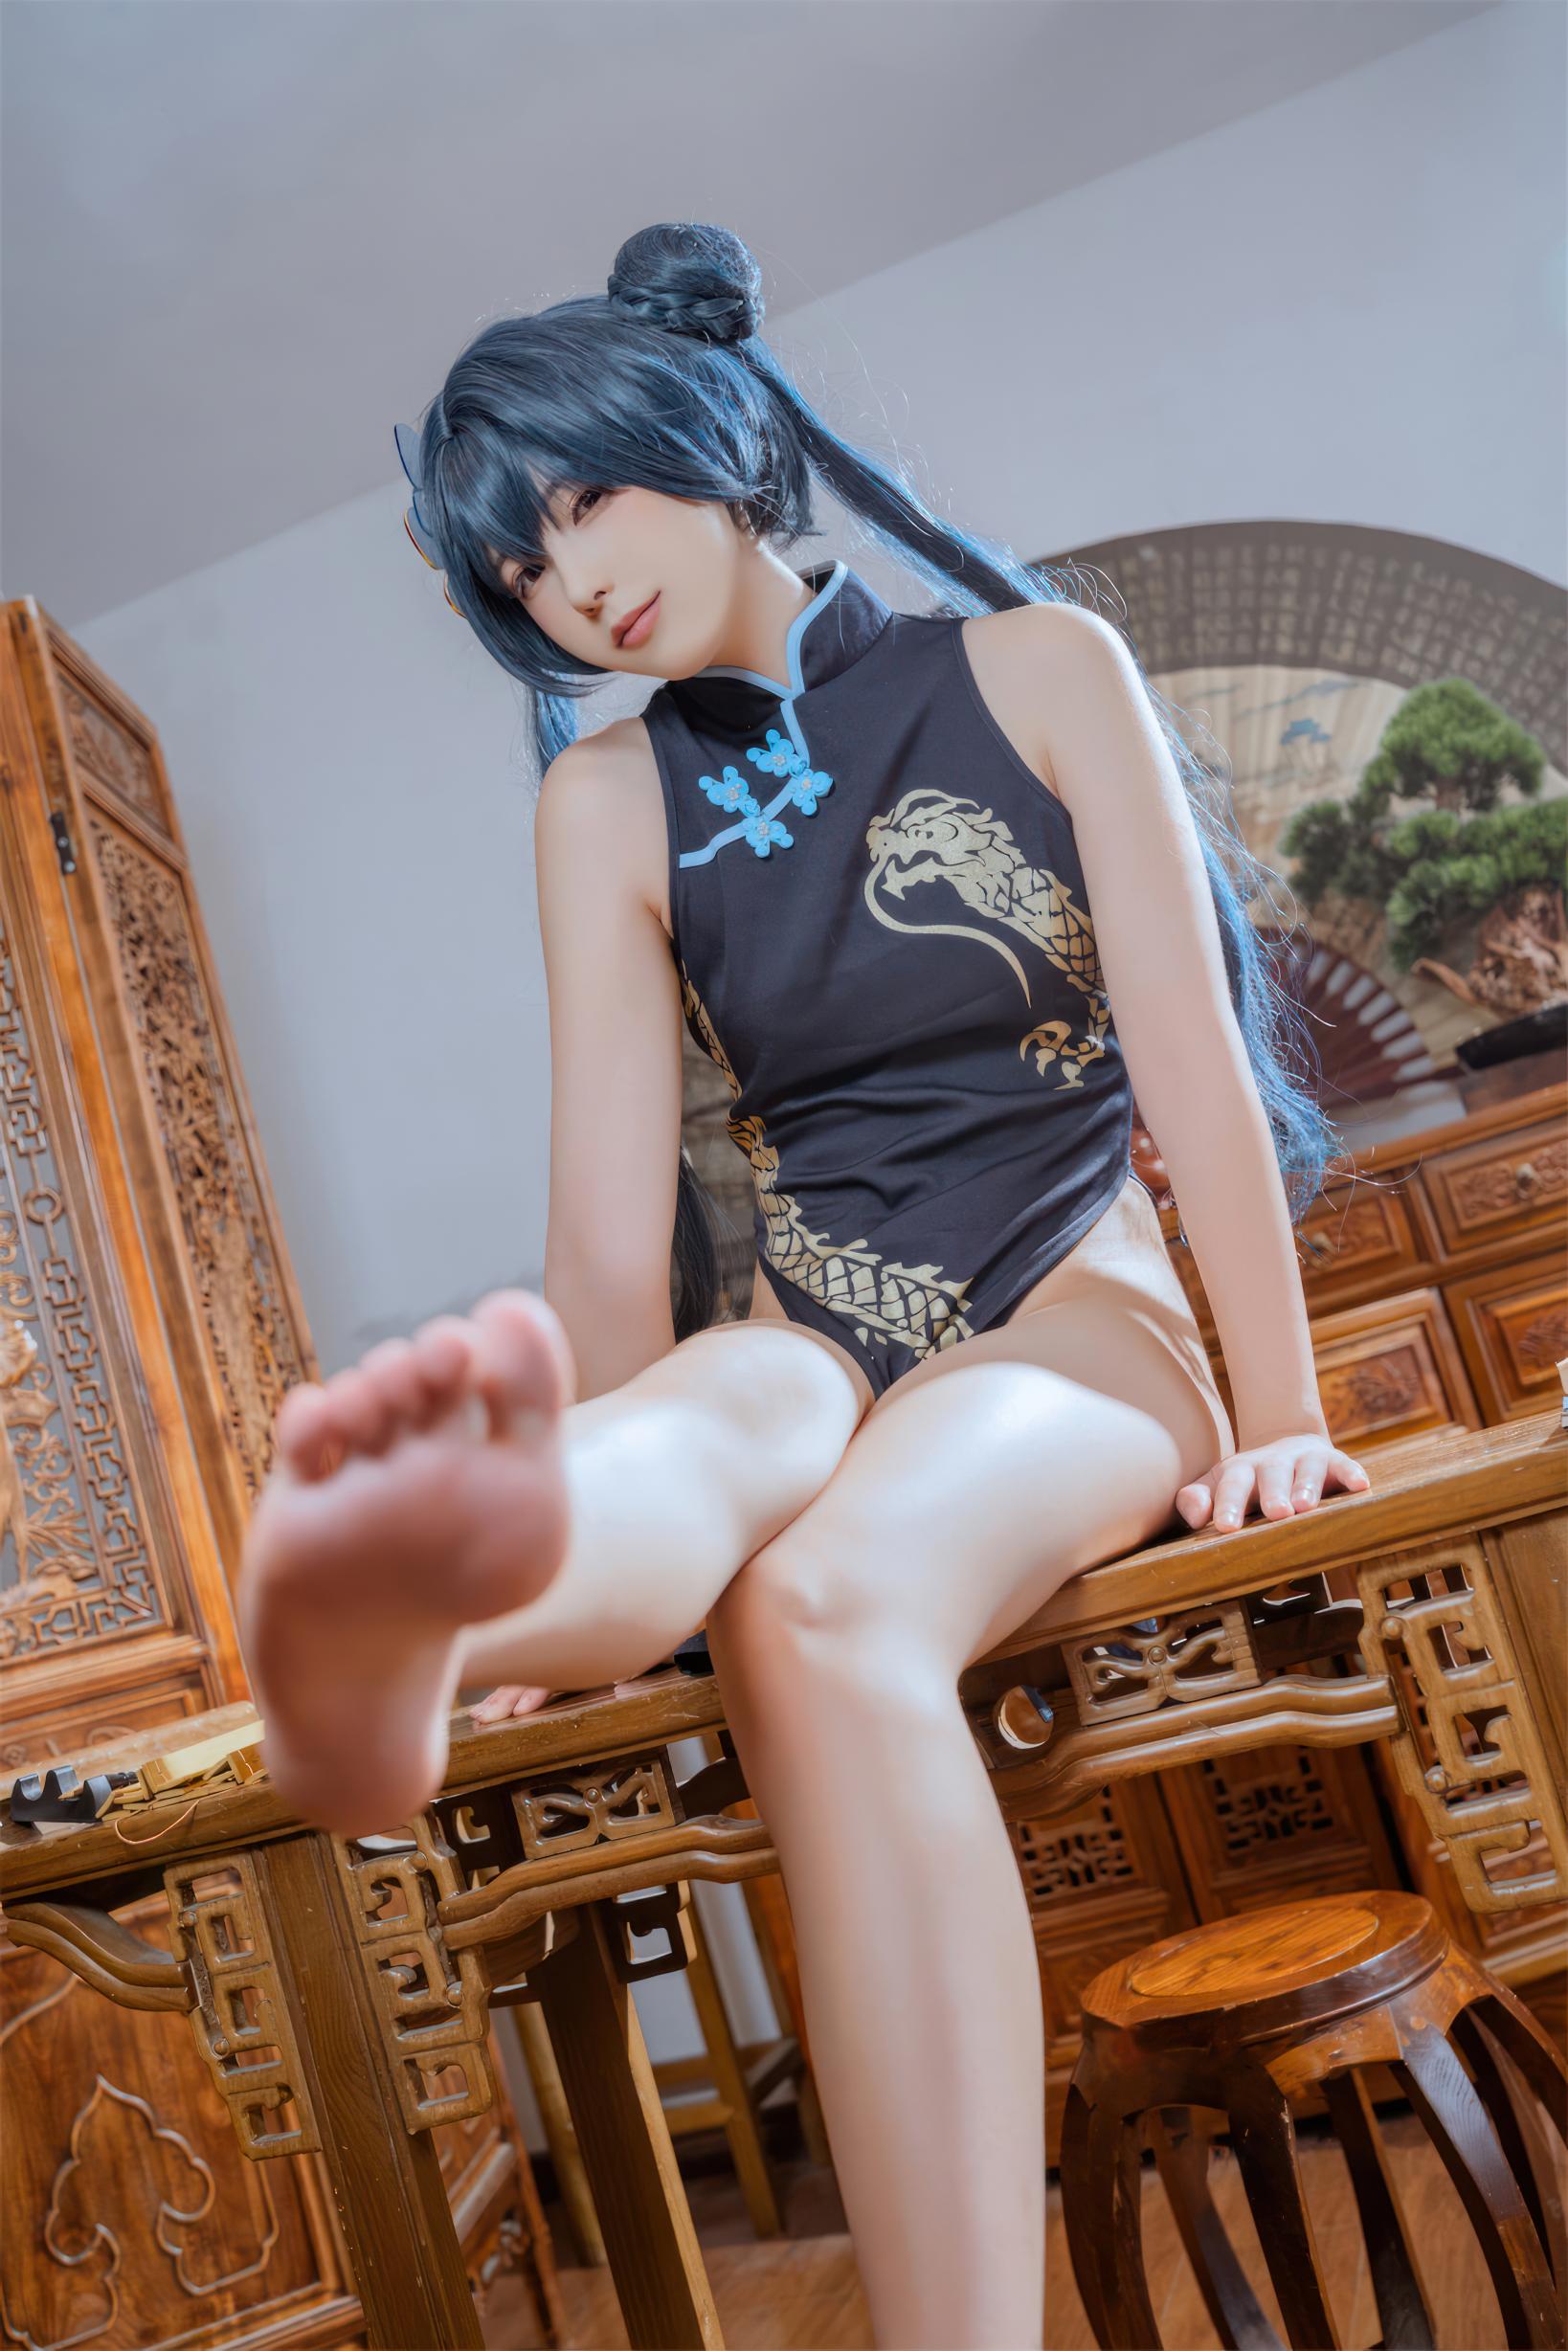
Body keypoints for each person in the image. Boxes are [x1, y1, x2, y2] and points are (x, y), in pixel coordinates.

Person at [236, 220, 1371, 2350]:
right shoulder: (602, 804)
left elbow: (1196, 1073)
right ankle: (470, 1585)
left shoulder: (1034, 669)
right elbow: (606, 1237)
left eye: (587, 499)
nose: (573, 584)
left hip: (1079, 1300)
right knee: (696, 1430)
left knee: (818, 1605)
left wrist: (1287, 1404)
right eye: (521, 571)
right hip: (817, 1316)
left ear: (705, 434)